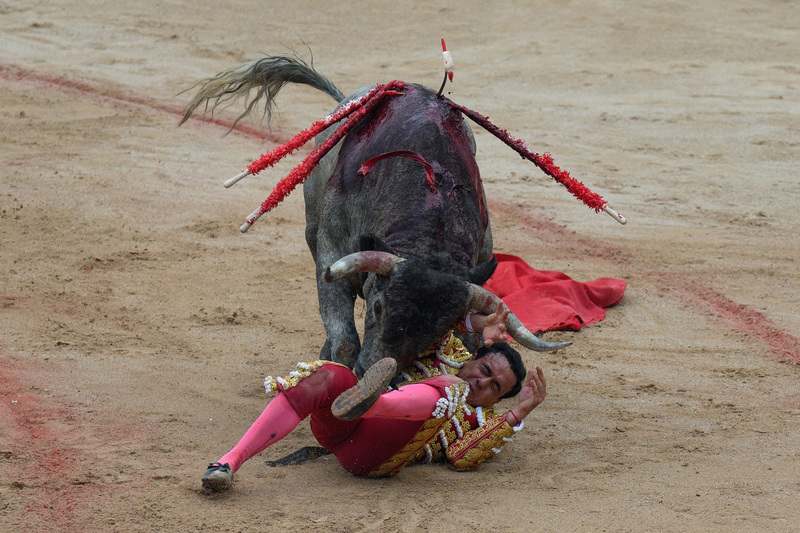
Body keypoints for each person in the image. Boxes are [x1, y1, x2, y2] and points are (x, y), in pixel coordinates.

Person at [201, 307, 547, 490]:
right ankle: (229, 462)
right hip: (340, 424)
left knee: (449, 389)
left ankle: (372, 403)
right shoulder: (449, 352)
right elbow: (426, 319)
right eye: (485, 370)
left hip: (370, 455)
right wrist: (476, 322)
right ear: (474, 356)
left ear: (497, 401)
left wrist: (519, 412)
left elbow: (460, 457)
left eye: (494, 389)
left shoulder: (484, 421)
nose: (481, 384)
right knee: (332, 376)